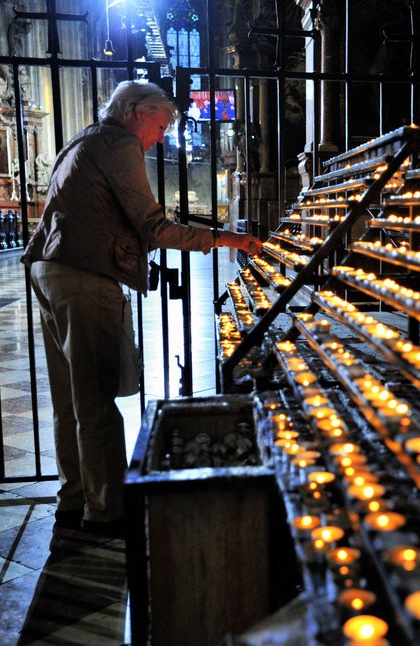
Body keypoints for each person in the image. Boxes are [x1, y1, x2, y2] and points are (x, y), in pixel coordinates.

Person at [21, 81, 262, 538]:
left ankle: (74, 499)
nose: (161, 135)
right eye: (161, 123)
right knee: (95, 399)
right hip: (85, 275)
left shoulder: (86, 138)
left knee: (69, 399)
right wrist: (225, 238)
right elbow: (152, 226)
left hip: (51, 269)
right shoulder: (118, 144)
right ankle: (106, 510)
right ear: (135, 111)